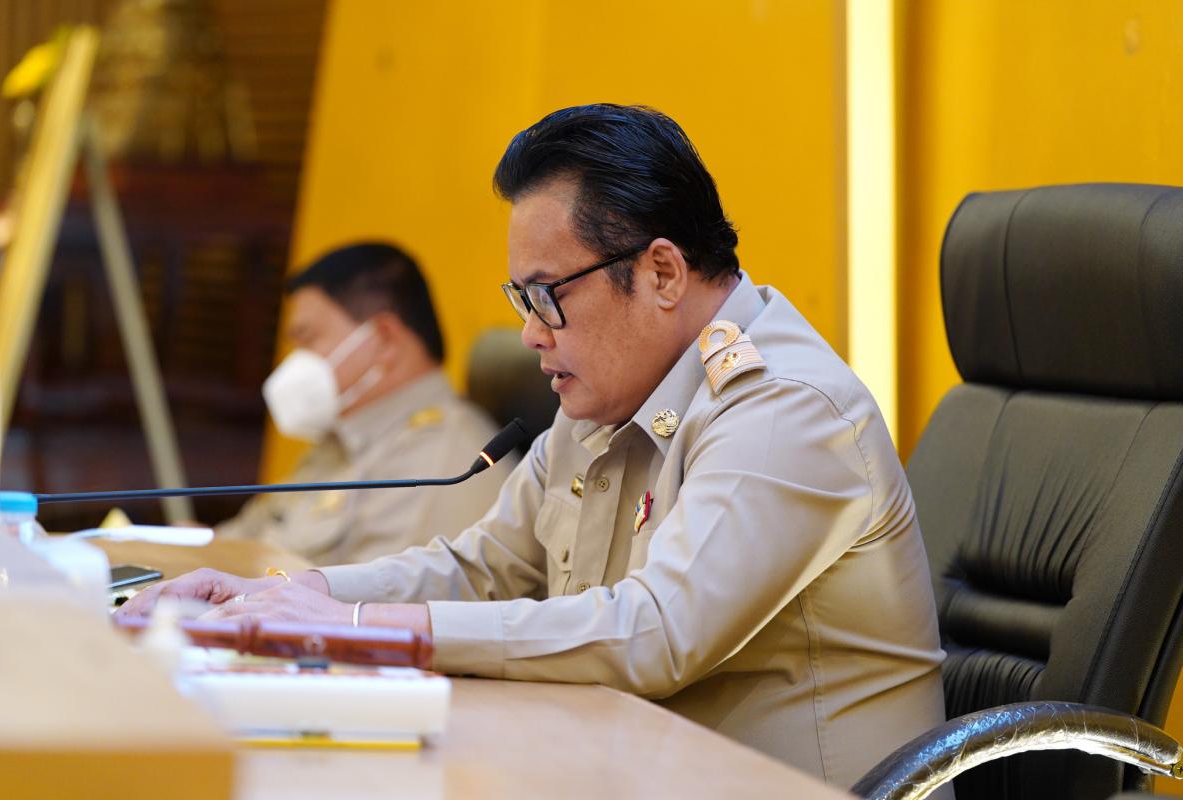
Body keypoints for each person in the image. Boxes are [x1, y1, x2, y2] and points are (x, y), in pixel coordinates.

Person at [121, 105, 947, 790]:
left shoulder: (782, 409)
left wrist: (357, 623)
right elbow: (483, 567)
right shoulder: (610, 398)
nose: (529, 333)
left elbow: (653, 633)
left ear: (662, 273)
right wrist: (287, 596)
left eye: (547, 296)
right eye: (521, 298)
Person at [216, 242, 512, 564]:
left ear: (384, 340)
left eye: (308, 339)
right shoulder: (342, 443)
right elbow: (238, 542)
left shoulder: (440, 465)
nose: (296, 361)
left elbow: (374, 596)